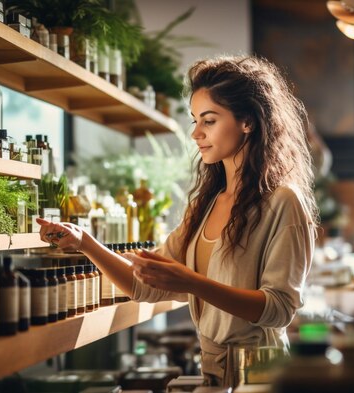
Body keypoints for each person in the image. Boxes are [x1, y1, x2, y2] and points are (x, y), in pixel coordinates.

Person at [37, 55, 318, 388]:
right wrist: (85, 243)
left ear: (248, 122)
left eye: (209, 120)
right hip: (213, 374)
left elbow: (279, 309)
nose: (196, 133)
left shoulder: (283, 202)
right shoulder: (205, 205)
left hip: (260, 375)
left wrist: (192, 282)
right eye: (195, 120)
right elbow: (144, 286)